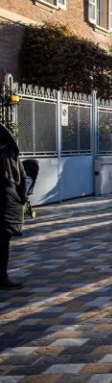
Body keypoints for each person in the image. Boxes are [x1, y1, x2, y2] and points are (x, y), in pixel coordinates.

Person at [0, 123, 26, 289]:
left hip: (7, 202)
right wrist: (21, 198)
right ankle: (2, 277)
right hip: (8, 201)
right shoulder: (11, 153)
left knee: (3, 242)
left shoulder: (10, 154)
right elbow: (22, 179)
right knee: (3, 243)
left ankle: (2, 277)